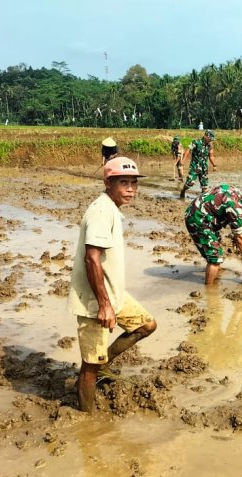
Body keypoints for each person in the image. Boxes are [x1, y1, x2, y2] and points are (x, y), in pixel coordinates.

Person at [67, 156, 157, 413]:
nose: (131, 189)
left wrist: (111, 300)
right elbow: (91, 257)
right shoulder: (101, 211)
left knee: (145, 325)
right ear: (108, 183)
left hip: (113, 294)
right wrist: (104, 305)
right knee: (90, 366)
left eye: (133, 183)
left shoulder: (111, 209)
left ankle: (104, 364)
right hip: (95, 301)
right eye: (123, 183)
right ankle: (87, 418)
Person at [184, 183, 242, 285]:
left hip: (194, 212)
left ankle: (213, 271)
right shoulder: (235, 206)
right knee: (215, 258)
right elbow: (239, 237)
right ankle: (209, 291)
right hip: (199, 220)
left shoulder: (231, 189)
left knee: (214, 246)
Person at [179, 130, 218, 199]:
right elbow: (188, 150)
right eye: (210, 138)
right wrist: (183, 160)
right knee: (190, 183)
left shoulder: (210, 146)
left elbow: (211, 156)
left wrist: (214, 165)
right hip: (194, 166)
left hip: (204, 168)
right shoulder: (196, 142)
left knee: (204, 186)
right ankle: (183, 190)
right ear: (206, 136)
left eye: (211, 139)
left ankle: (202, 200)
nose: (210, 140)